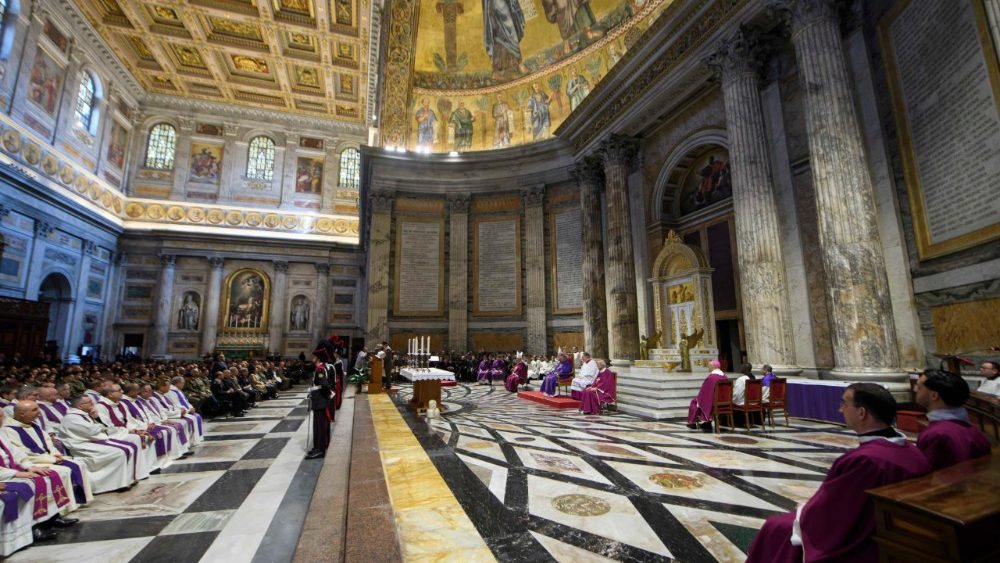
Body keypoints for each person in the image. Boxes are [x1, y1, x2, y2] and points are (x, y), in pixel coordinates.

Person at [746, 383, 932, 563]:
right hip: (886, 529)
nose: (840, 409)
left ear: (862, 413)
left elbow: (830, 513)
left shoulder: (864, 460)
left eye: (844, 403)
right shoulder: (912, 450)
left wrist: (804, 511)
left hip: (859, 539)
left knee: (775, 527)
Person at [3, 401, 91, 508]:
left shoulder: (33, 424)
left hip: (45, 458)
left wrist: (55, 454)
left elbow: (48, 442)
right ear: (22, 414)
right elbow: (23, 453)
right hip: (33, 462)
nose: (39, 412)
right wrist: (52, 459)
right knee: (63, 471)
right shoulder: (9, 430)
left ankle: (76, 502)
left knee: (78, 464)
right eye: (34, 410)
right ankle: (64, 507)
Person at [56, 395, 138, 494]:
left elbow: (101, 428)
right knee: (119, 452)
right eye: (89, 402)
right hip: (80, 446)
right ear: (80, 406)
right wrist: (99, 425)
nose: (93, 404)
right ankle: (114, 484)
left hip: (90, 441)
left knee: (129, 447)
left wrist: (96, 418)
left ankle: (126, 480)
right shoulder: (71, 418)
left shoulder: (83, 414)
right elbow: (91, 430)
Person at [914, 370, 991, 470]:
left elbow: (929, 477)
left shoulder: (936, 435)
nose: (915, 389)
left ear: (934, 395)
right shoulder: (975, 430)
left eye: (919, 387)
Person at [686, 360, 728, 429]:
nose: (708, 367)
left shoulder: (712, 377)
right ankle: (706, 423)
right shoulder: (725, 376)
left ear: (713, 367)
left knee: (695, 403)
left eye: (709, 366)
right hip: (723, 400)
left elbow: (705, 392)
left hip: (714, 401)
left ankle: (693, 423)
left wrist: (699, 398)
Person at [306, 374, 333, 459]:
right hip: (318, 402)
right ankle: (317, 447)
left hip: (320, 402)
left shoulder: (320, 369)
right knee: (317, 427)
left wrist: (328, 395)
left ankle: (320, 450)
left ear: (317, 359)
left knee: (320, 427)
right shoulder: (320, 368)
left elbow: (324, 385)